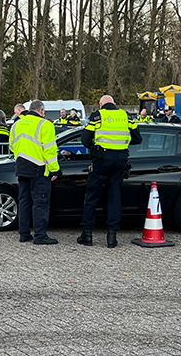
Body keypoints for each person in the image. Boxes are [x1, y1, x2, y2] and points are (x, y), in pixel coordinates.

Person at [78, 95, 142, 248]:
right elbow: (137, 139)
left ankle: (87, 235)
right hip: (120, 160)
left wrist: (95, 144)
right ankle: (111, 238)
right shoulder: (126, 116)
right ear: (114, 103)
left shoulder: (97, 116)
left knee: (92, 196)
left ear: (101, 104)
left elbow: (85, 140)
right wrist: (123, 142)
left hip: (101, 159)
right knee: (114, 197)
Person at [9, 100, 60, 245]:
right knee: (40, 202)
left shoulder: (17, 124)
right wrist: (54, 169)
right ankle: (40, 235)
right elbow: (49, 150)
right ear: (42, 111)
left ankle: (24, 234)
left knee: (24, 201)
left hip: (21, 166)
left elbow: (12, 145)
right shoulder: (45, 125)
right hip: (39, 168)